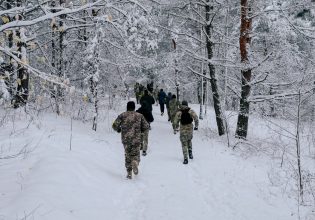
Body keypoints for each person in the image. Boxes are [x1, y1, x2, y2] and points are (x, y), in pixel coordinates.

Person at [112, 101, 149, 179]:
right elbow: (146, 126)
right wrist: (141, 130)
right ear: (134, 107)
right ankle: (135, 162)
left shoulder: (122, 115)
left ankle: (129, 173)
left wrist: (119, 129)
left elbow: (114, 125)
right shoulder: (139, 116)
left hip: (126, 139)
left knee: (127, 155)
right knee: (136, 154)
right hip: (136, 139)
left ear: (127, 107)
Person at [173, 100, 199, 165]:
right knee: (189, 140)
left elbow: (175, 122)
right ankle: (190, 152)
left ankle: (185, 158)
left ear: (182, 105)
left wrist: (175, 128)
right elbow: (196, 118)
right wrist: (196, 126)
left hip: (183, 130)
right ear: (187, 104)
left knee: (184, 143)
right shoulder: (191, 111)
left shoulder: (179, 112)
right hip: (190, 129)